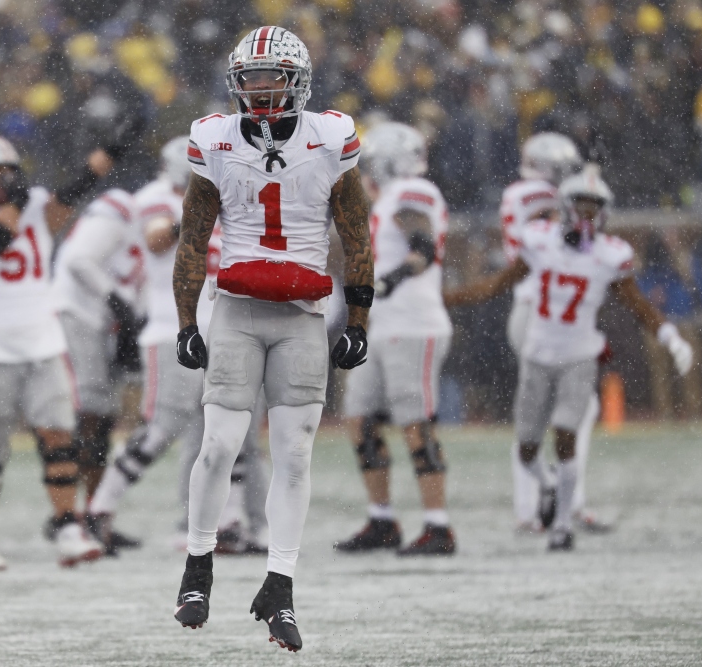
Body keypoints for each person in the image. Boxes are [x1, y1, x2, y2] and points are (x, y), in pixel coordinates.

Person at [171, 27, 373, 652]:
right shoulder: (215, 139)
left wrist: (360, 321)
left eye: (271, 77)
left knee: (295, 454)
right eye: (249, 78)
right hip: (236, 310)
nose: (259, 88)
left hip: (302, 315)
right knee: (218, 445)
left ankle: (279, 585)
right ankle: (197, 568)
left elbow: (358, 237)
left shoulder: (331, 138)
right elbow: (192, 238)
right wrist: (186, 322)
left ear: (297, 81)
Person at [446, 165, 693, 551]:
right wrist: (449, 299)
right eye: (581, 205)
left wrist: (671, 337)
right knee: (527, 447)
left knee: (565, 434)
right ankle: (547, 486)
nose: (587, 214)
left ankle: (562, 525)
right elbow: (498, 284)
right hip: (537, 355)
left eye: (595, 207)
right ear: (564, 206)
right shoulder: (540, 241)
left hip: (579, 356)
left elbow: (638, 305)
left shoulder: (610, 255)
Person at [86, 137, 268, 555]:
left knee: (229, 430)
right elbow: (156, 239)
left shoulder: (229, 202)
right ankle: (100, 508)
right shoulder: (158, 197)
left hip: (226, 329)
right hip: (174, 329)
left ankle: (230, 522)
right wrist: (197, 208)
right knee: (161, 429)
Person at [0, 134, 105, 570]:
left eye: (9, 170)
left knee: (59, 437)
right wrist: (16, 201)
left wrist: (112, 149)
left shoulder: (31, 207)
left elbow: (76, 188)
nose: (5, 179)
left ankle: (68, 528)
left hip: (42, 343)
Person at [334, 122, 455, 556]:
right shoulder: (386, 200)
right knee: (360, 419)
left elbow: (423, 247)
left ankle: (438, 526)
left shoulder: (411, 190)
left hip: (414, 324)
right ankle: (381, 519)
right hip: (384, 326)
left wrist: (392, 279)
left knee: (416, 424)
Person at [500, 133, 611, 534]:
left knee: (562, 410)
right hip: (538, 310)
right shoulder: (531, 195)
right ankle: (544, 507)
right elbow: (568, 221)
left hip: (542, 309)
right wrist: (591, 177)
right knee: (546, 413)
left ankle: (552, 502)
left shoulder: (522, 193)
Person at [48, 187, 144, 553]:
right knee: (89, 414)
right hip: (77, 314)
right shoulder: (125, 208)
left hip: (105, 324)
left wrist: (132, 320)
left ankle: (93, 514)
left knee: (103, 419)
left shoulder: (169, 222)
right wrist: (117, 301)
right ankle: (69, 516)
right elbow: (78, 260)